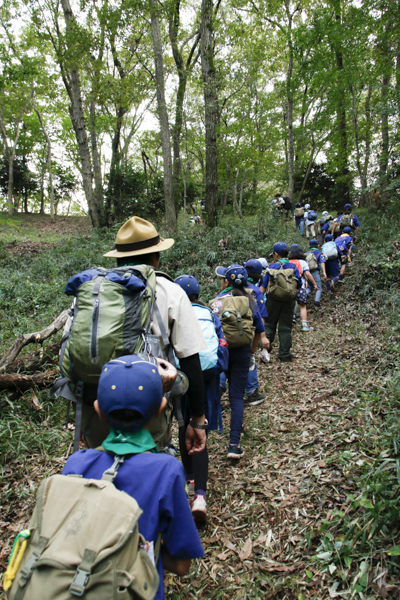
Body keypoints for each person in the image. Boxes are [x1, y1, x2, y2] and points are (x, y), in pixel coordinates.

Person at [63, 355, 204, 600]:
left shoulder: (76, 464)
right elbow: (182, 565)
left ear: (98, 410)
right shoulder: (166, 471)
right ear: (160, 408)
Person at [81, 216, 208, 455]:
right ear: (155, 258)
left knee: (100, 475)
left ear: (117, 257)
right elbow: (190, 360)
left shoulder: (92, 291)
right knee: (148, 477)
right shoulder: (171, 291)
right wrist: (198, 419)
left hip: (97, 406)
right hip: (150, 409)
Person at [174, 274, 226, 522]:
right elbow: (221, 341)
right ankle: (200, 497)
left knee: (184, 423)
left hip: (182, 375)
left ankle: (189, 478)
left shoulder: (174, 311)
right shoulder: (209, 312)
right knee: (200, 425)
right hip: (208, 374)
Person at [212, 264, 265, 458]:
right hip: (242, 351)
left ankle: (210, 429)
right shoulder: (250, 300)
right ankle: (234, 443)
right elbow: (259, 329)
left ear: (226, 281)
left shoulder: (217, 301)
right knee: (236, 397)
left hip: (221, 351)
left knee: (215, 390)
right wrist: (251, 351)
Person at [260, 242, 302, 362]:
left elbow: (263, 286)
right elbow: (298, 284)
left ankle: (265, 351)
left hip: (273, 301)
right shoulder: (293, 267)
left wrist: (258, 301)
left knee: (269, 324)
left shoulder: (272, 267)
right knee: (285, 327)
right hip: (288, 302)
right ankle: (284, 354)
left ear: (276, 254)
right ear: (287, 254)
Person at [288, 244, 318, 332]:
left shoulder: (287, 262)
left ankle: (288, 323)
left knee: (289, 306)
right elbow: (307, 274)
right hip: (300, 287)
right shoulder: (303, 262)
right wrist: (315, 284)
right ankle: (305, 325)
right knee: (302, 306)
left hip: (288, 288)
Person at [305, 239, 327, 307]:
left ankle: (303, 298)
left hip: (307, 272)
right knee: (318, 287)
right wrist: (324, 272)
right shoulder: (319, 253)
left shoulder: (306, 253)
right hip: (315, 272)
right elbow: (322, 262)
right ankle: (316, 302)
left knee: (309, 287)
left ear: (309, 246)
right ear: (318, 245)